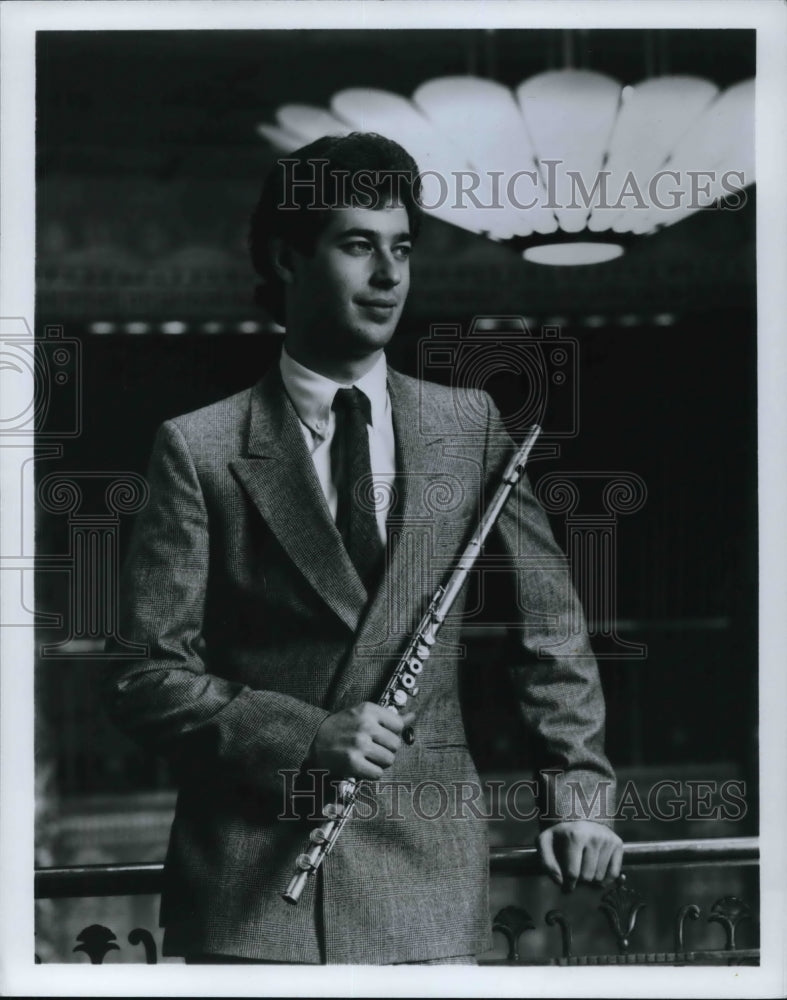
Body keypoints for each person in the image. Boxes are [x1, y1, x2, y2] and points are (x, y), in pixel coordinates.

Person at [104, 132, 622, 965]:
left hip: (426, 882)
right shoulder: (197, 448)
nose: (388, 277)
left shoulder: (468, 426)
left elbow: (550, 631)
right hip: (248, 888)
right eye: (356, 246)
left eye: (401, 250)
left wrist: (578, 796)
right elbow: (144, 676)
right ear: (288, 258)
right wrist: (306, 736)